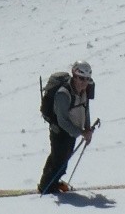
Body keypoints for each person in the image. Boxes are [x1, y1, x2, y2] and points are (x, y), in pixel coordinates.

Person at [38, 60, 94, 195]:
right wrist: (81, 132)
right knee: (58, 161)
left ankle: (52, 183)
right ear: (74, 76)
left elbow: (85, 110)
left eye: (86, 79)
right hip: (60, 132)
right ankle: (46, 187)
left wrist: (87, 129)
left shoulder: (84, 90)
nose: (84, 82)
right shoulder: (63, 94)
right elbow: (62, 121)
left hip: (73, 131)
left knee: (62, 160)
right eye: (81, 78)